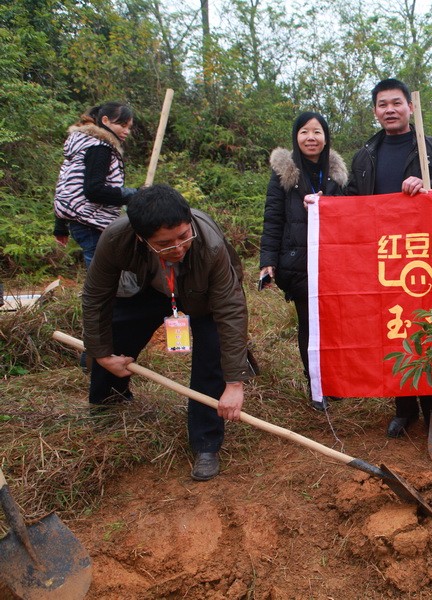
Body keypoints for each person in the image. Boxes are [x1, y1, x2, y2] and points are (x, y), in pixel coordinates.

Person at [81, 185, 251, 481]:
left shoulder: (209, 245)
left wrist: (234, 382)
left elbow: (231, 309)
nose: (178, 248)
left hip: (204, 294)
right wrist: (101, 352)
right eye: (164, 243)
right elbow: (97, 296)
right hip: (153, 287)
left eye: (184, 236)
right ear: (141, 238)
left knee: (211, 359)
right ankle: (108, 405)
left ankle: (206, 443)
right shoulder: (116, 239)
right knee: (118, 329)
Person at [345, 78, 432, 438]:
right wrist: (322, 205)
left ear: (410, 107)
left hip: (426, 258)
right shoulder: (365, 155)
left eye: (396, 103)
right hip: (382, 258)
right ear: (375, 112)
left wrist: (431, 186)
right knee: (392, 331)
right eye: (382, 105)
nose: (390, 110)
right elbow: (353, 202)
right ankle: (403, 408)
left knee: (428, 329)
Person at [259, 112, 347, 412]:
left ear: (326, 137)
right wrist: (268, 261)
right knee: (310, 324)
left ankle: (332, 382)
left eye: (317, 132)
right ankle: (316, 387)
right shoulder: (285, 173)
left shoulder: (337, 176)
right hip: (298, 262)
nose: (311, 138)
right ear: (296, 137)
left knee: (333, 325)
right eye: (304, 132)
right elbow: (273, 217)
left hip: (332, 262)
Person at [54, 102, 137, 267]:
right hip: (90, 222)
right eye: (122, 125)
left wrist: (60, 225)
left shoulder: (83, 144)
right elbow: (93, 191)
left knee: (104, 271)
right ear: (105, 120)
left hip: (80, 221)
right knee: (101, 274)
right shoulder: (100, 148)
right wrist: (133, 194)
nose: (127, 131)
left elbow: (66, 185)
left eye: (129, 127)